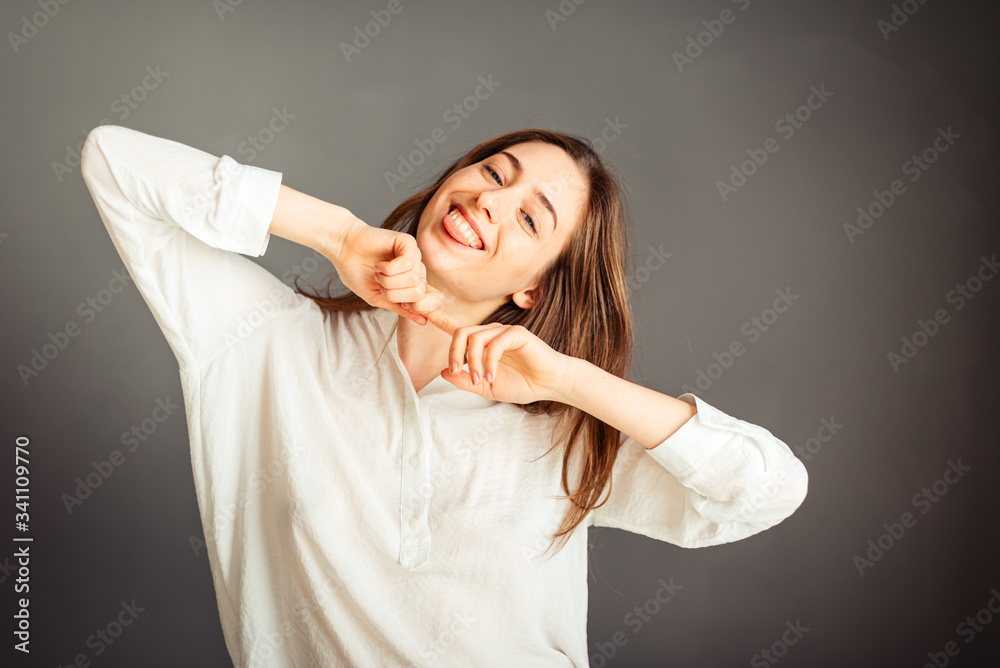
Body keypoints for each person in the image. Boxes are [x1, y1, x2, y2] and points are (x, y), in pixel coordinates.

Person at [80, 123, 808, 667]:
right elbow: (114, 160)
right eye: (493, 173)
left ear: (534, 287)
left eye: (529, 217)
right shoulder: (267, 343)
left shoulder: (562, 428)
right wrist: (338, 235)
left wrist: (568, 379)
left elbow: (766, 490)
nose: (490, 200)